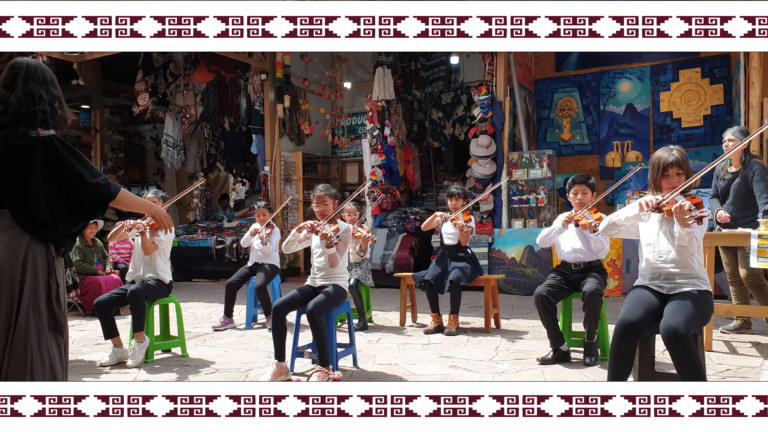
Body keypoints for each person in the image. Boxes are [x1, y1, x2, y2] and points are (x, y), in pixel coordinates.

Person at [0, 57, 173, 381]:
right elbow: (100, 188)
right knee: (31, 332)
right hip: (25, 250)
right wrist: (149, 208)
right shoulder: (43, 144)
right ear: (45, 96)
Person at [600, 145, 714, 381]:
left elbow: (686, 253)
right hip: (650, 285)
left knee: (672, 329)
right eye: (666, 175)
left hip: (691, 288)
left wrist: (683, 225)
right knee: (627, 324)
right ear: (656, 177)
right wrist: (634, 211)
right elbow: (605, 228)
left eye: (679, 174)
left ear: (686, 175)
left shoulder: (695, 209)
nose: (674, 181)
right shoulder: (647, 208)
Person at [260, 184, 351, 382]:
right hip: (314, 283)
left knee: (313, 309)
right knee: (278, 307)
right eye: (316, 206)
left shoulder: (345, 229)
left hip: (336, 285)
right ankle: (281, 366)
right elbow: (287, 248)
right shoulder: (314, 229)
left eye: (325, 205)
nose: (319, 210)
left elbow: (334, 263)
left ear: (335, 204)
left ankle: (324, 368)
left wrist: (328, 245)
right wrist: (298, 230)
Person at [93, 190, 176, 369]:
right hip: (138, 281)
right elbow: (111, 238)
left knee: (135, 291)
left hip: (160, 282)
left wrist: (143, 233)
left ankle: (139, 342)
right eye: (146, 204)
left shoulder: (167, 229)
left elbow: (148, 250)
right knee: (101, 303)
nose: (149, 208)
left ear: (165, 207)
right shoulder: (141, 225)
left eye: (154, 203)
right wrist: (125, 226)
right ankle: (118, 349)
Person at [533, 174, 609, 366]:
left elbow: (603, 252)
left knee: (592, 292)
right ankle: (559, 347)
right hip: (564, 271)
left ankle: (590, 342)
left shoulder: (601, 220)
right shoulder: (562, 218)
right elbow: (541, 242)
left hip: (592, 270)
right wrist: (561, 226)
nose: (579, 197)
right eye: (575, 193)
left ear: (594, 196)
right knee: (541, 294)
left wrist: (593, 232)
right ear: (568, 196)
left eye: (585, 193)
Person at [709, 125, 768, 334]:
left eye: (731, 141)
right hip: (725, 232)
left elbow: (764, 200)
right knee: (733, 276)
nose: (726, 145)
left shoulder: (755, 168)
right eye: (724, 141)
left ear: (744, 143)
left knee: (749, 275)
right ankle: (742, 320)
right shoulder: (720, 168)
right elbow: (714, 197)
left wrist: (765, 225)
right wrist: (717, 213)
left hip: (749, 231)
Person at [413, 185, 483, 336]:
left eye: (457, 200)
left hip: (462, 256)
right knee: (428, 279)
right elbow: (424, 228)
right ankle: (436, 320)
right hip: (444, 256)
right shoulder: (444, 217)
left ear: (464, 202)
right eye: (450, 199)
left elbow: (464, 243)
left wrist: (461, 228)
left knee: (454, 279)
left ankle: (453, 320)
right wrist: (436, 214)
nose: (453, 203)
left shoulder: (467, 219)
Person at [212, 201, 281, 331]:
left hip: (270, 264)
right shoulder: (254, 226)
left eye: (264, 215)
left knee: (259, 286)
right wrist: (251, 234)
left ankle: (270, 316)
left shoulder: (275, 231)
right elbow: (243, 244)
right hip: (252, 264)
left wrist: (263, 240)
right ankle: (228, 319)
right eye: (258, 215)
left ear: (271, 215)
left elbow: (269, 251)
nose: (261, 218)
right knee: (230, 284)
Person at [70, 220, 124, 311]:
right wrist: (97, 271)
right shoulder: (78, 243)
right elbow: (77, 264)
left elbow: (106, 257)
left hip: (101, 274)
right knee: (99, 282)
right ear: (83, 229)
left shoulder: (97, 242)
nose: (93, 230)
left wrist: (108, 267)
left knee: (116, 279)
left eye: (95, 228)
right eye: (90, 228)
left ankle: (115, 307)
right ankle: (99, 308)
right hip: (84, 277)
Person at [340, 203, 377, 331]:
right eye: (348, 215)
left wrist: (365, 244)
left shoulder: (363, 230)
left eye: (355, 214)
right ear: (343, 216)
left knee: (352, 285)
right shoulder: (340, 230)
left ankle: (363, 319)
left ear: (359, 215)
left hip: (360, 266)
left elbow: (362, 255)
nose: (352, 217)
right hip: (343, 266)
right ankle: (333, 313)